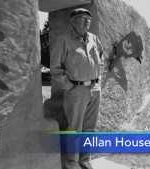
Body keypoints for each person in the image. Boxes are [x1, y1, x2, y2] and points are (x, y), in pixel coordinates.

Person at [50, 8, 106, 169]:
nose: (86, 21)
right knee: (75, 128)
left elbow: (101, 59)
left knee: (90, 128)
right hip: (76, 91)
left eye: (88, 18)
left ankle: (85, 160)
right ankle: (72, 163)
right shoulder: (64, 40)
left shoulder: (94, 39)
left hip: (95, 89)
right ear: (73, 21)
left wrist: (98, 79)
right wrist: (69, 86)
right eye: (81, 18)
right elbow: (55, 68)